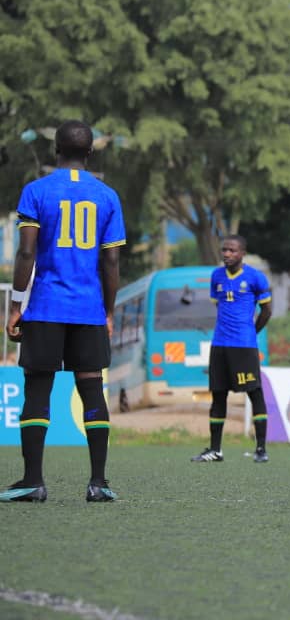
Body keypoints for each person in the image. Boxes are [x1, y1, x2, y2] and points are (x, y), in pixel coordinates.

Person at [2, 120, 125, 503]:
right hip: (88, 311)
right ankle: (98, 483)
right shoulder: (107, 196)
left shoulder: (36, 190)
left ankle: (32, 482)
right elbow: (111, 262)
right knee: (92, 390)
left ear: (56, 150)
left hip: (46, 308)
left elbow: (26, 252)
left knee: (38, 389)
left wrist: (15, 305)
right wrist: (108, 312)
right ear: (90, 152)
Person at [191, 235, 273, 463]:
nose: (227, 254)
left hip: (243, 346)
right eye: (224, 250)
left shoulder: (255, 277)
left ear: (242, 253)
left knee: (254, 393)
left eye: (232, 250)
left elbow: (267, 311)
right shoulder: (216, 276)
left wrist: (252, 332)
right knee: (218, 395)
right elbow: (220, 305)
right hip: (219, 345)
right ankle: (215, 450)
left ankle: (261, 449)